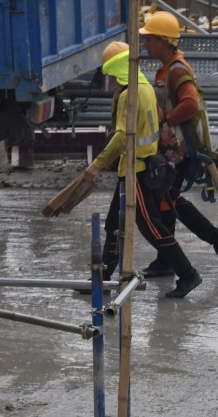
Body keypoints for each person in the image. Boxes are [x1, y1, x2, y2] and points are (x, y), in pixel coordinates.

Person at [83, 42, 201, 299]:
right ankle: (101, 278)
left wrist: (97, 164)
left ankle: (188, 273)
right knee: (114, 225)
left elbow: (121, 136)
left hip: (136, 171)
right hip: (139, 168)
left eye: (112, 75)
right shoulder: (145, 87)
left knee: (152, 228)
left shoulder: (129, 95)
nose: (111, 81)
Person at [137, 12, 218, 278]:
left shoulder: (177, 69)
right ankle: (178, 254)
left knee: (166, 199)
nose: (145, 45)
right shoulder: (167, 67)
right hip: (172, 150)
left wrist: (168, 117)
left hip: (180, 150)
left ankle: (212, 241)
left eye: (149, 39)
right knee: (167, 200)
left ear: (164, 41)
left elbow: (190, 103)